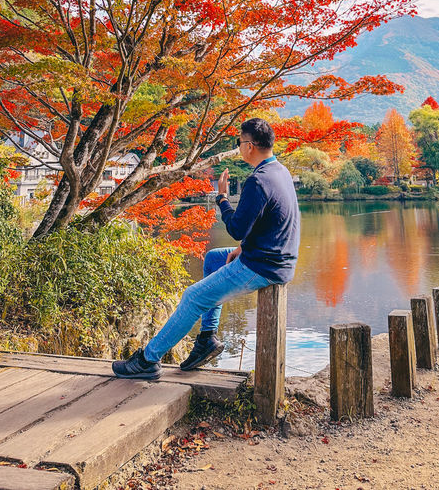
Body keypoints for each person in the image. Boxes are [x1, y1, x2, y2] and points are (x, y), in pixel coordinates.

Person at [112, 117, 300, 380]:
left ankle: (147, 361)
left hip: (264, 266)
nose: (239, 147)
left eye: (239, 142)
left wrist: (222, 197)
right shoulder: (280, 172)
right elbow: (273, 222)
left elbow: (236, 228)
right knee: (214, 258)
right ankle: (206, 340)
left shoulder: (258, 181)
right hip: (274, 258)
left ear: (250, 146)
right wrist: (244, 247)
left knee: (192, 296)